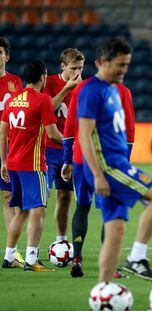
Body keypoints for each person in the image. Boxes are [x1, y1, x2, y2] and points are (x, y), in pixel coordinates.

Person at [77, 37, 152, 282]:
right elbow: (84, 134)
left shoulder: (113, 89)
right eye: (120, 64)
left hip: (115, 164)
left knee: (115, 231)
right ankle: (137, 258)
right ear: (102, 62)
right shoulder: (90, 91)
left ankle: (103, 290)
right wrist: (97, 174)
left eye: (127, 65)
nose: (124, 70)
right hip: (108, 166)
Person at [61, 77, 136, 278]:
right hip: (107, 161)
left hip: (80, 159)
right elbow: (129, 130)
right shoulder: (122, 91)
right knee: (110, 211)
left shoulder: (82, 88)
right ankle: (109, 266)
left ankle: (76, 258)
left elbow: (69, 126)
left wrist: (67, 159)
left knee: (82, 206)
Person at [1, 60, 62, 271]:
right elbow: (53, 133)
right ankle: (31, 259)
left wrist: (3, 161)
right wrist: (73, 145)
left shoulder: (13, 99)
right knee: (38, 210)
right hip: (33, 165)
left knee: (21, 212)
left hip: (13, 163)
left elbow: (2, 132)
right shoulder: (43, 99)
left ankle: (9, 257)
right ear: (43, 77)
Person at [43, 48, 84, 242]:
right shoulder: (49, 83)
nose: (77, 73)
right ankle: (31, 248)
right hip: (48, 149)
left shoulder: (83, 87)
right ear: (62, 66)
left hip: (71, 151)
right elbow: (47, 110)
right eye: (73, 68)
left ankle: (61, 241)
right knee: (43, 198)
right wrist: (67, 88)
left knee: (65, 197)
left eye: (80, 68)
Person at [0, 37, 24, 264]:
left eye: (0, 52)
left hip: (9, 145)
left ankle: (12, 251)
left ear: (6, 56)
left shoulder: (15, 82)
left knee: (9, 197)